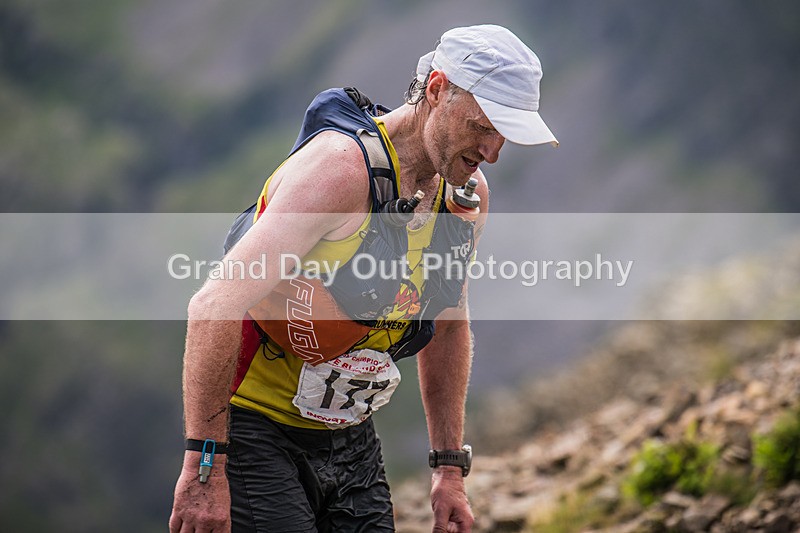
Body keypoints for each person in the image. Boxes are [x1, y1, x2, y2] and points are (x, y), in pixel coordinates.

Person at [169, 24, 558, 533]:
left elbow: (447, 326)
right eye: (483, 127)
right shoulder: (340, 172)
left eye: (505, 134)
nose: (493, 152)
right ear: (437, 89)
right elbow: (214, 303)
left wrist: (448, 468)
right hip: (254, 431)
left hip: (351, 439)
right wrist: (204, 466)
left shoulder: (465, 200)